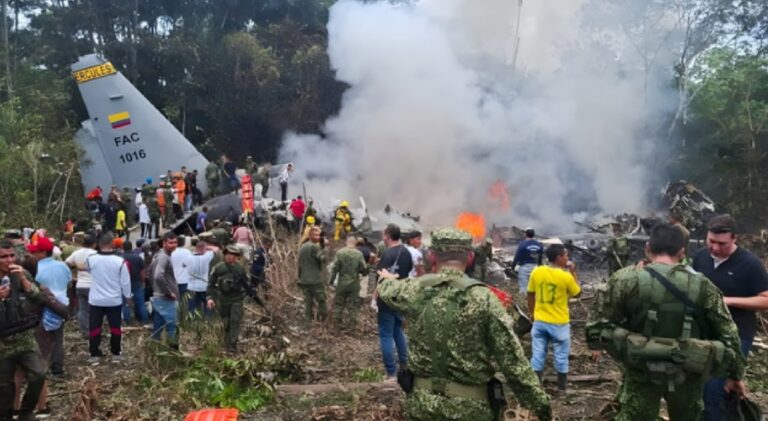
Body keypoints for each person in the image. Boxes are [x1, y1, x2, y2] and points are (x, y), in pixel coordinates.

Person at [377, 227, 552, 421]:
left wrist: (387, 279)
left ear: (432, 257)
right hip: (471, 410)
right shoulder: (485, 298)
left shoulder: (412, 290)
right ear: (469, 258)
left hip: (421, 407)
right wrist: (541, 407)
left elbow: (387, 288)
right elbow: (513, 364)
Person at [586, 223, 746, 421]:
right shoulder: (704, 285)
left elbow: (598, 324)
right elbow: (729, 333)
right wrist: (736, 374)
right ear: (681, 252)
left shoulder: (624, 280)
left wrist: (611, 346)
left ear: (648, 248)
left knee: (637, 415)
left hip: (641, 366)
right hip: (688, 369)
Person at [690, 214, 768, 420]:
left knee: (715, 390)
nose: (714, 248)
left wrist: (729, 301)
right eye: (711, 241)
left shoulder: (750, 264)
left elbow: (765, 300)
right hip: (702, 332)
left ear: (735, 239)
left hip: (735, 335)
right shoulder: (700, 257)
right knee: (698, 388)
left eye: (721, 244)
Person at [0, 240, 47, 421]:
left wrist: (24, 281)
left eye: (12, 255)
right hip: (3, 341)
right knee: (4, 386)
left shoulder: (21, 273)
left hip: (24, 336)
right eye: (4, 256)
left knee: (39, 374)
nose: (9, 260)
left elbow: (38, 299)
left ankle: (26, 411)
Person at [527, 244, 580, 392]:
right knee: (561, 356)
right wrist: (573, 272)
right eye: (566, 255)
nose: (567, 258)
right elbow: (577, 293)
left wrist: (532, 313)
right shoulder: (566, 276)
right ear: (559, 258)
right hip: (559, 323)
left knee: (537, 354)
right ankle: (561, 388)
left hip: (540, 321)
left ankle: (536, 387)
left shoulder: (537, 272)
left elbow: (530, 294)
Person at [26, 236, 70, 378]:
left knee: (41, 340)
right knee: (58, 339)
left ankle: (40, 370)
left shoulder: (35, 270)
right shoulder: (63, 265)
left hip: (43, 307)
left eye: (35, 252)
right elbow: (69, 284)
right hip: (61, 306)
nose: (31, 254)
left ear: (43, 253)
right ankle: (58, 370)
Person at [85, 233, 131, 363]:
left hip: (95, 300)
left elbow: (88, 270)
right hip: (114, 300)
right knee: (115, 327)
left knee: (94, 327)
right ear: (112, 244)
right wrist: (128, 297)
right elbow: (125, 282)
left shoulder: (90, 259)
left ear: (99, 244)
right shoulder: (120, 261)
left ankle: (94, 354)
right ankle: (116, 353)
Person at [375, 223, 413, 381]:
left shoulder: (388, 254)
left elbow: (381, 278)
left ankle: (391, 373)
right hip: (400, 297)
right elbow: (408, 271)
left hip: (386, 298)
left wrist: (374, 297)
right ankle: (405, 365)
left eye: (384, 235)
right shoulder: (406, 252)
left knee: (386, 335)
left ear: (388, 236)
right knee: (398, 330)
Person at [207, 246, 251, 353]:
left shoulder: (240, 269)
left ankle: (232, 344)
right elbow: (211, 285)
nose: (229, 256)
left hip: (236, 298)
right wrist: (210, 298)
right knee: (225, 321)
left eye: (232, 254)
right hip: (223, 298)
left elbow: (246, 284)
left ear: (236, 257)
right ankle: (225, 341)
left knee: (235, 320)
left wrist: (246, 295)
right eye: (227, 254)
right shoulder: (218, 268)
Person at [331, 237, 368, 330]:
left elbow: (334, 268)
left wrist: (331, 281)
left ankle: (336, 323)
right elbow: (363, 269)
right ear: (355, 243)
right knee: (353, 305)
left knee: (339, 303)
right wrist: (364, 272)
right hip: (354, 283)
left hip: (342, 282)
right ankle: (352, 325)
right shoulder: (358, 254)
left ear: (346, 242)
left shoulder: (340, 252)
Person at [149, 232, 179, 348]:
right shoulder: (164, 257)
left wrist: (155, 289)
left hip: (159, 297)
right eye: (170, 243)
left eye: (175, 242)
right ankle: (173, 352)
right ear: (164, 243)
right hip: (165, 299)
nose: (173, 245)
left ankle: (154, 349)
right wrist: (168, 292)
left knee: (158, 325)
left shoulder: (158, 255)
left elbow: (150, 272)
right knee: (172, 327)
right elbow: (157, 276)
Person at [66, 234, 97, 338]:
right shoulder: (96, 254)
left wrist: (76, 267)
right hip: (93, 286)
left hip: (80, 285)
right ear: (94, 244)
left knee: (82, 310)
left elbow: (66, 263)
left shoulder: (76, 253)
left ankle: (85, 331)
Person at [297, 227, 327, 321]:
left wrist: (300, 277)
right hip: (315, 280)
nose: (318, 237)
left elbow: (299, 264)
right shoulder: (314, 247)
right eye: (316, 235)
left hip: (304, 280)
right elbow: (323, 258)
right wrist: (325, 247)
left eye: (319, 235)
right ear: (310, 236)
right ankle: (325, 320)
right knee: (321, 301)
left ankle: (308, 321)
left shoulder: (302, 247)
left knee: (308, 303)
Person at [121, 241, 148, 326]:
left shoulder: (120, 258)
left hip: (124, 283)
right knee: (140, 302)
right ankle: (144, 320)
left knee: (125, 303)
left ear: (123, 247)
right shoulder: (138, 258)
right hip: (137, 282)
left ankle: (127, 321)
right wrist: (143, 281)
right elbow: (142, 272)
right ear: (131, 247)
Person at [511, 228, 544, 295]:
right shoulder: (539, 245)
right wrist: (539, 266)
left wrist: (513, 266)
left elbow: (517, 256)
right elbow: (540, 257)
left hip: (524, 267)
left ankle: (524, 302)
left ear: (526, 234)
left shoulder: (522, 244)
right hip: (535, 267)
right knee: (535, 287)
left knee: (523, 287)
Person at [188, 239, 214, 318]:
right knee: (208, 304)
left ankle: (192, 320)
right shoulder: (207, 257)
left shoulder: (188, 257)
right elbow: (216, 249)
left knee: (192, 306)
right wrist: (208, 247)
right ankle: (207, 320)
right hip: (203, 286)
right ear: (204, 248)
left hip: (191, 287)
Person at [171, 236, 193, 322]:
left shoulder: (171, 253)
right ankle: (185, 318)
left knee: (174, 301)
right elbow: (191, 264)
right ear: (184, 243)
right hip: (185, 280)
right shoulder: (187, 252)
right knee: (185, 301)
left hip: (173, 281)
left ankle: (176, 319)